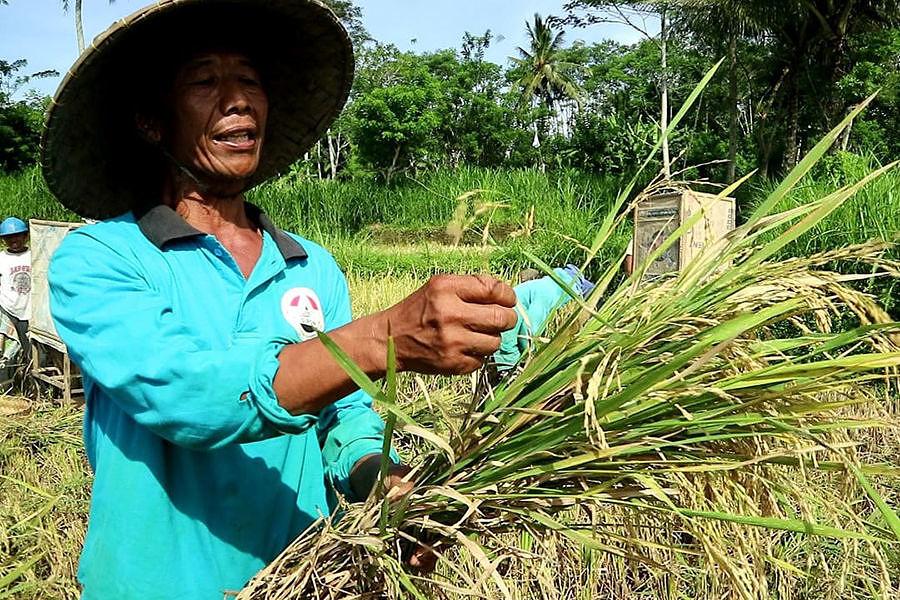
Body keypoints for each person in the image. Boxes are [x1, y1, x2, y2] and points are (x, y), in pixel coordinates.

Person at [41, 1, 517, 598]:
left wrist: (380, 482)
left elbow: (345, 419)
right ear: (150, 121)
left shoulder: (310, 266)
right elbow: (189, 392)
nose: (237, 99)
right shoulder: (102, 259)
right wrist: (377, 339)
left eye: (250, 81)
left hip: (300, 582)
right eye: (205, 81)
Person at [0, 217, 31, 365]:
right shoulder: (1, 258)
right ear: (3, 239)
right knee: (8, 351)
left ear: (26, 236)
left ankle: (33, 386)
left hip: (30, 311)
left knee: (33, 351)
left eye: (17, 235)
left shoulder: (35, 256)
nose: (14, 240)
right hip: (7, 310)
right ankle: (9, 385)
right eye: (9, 237)